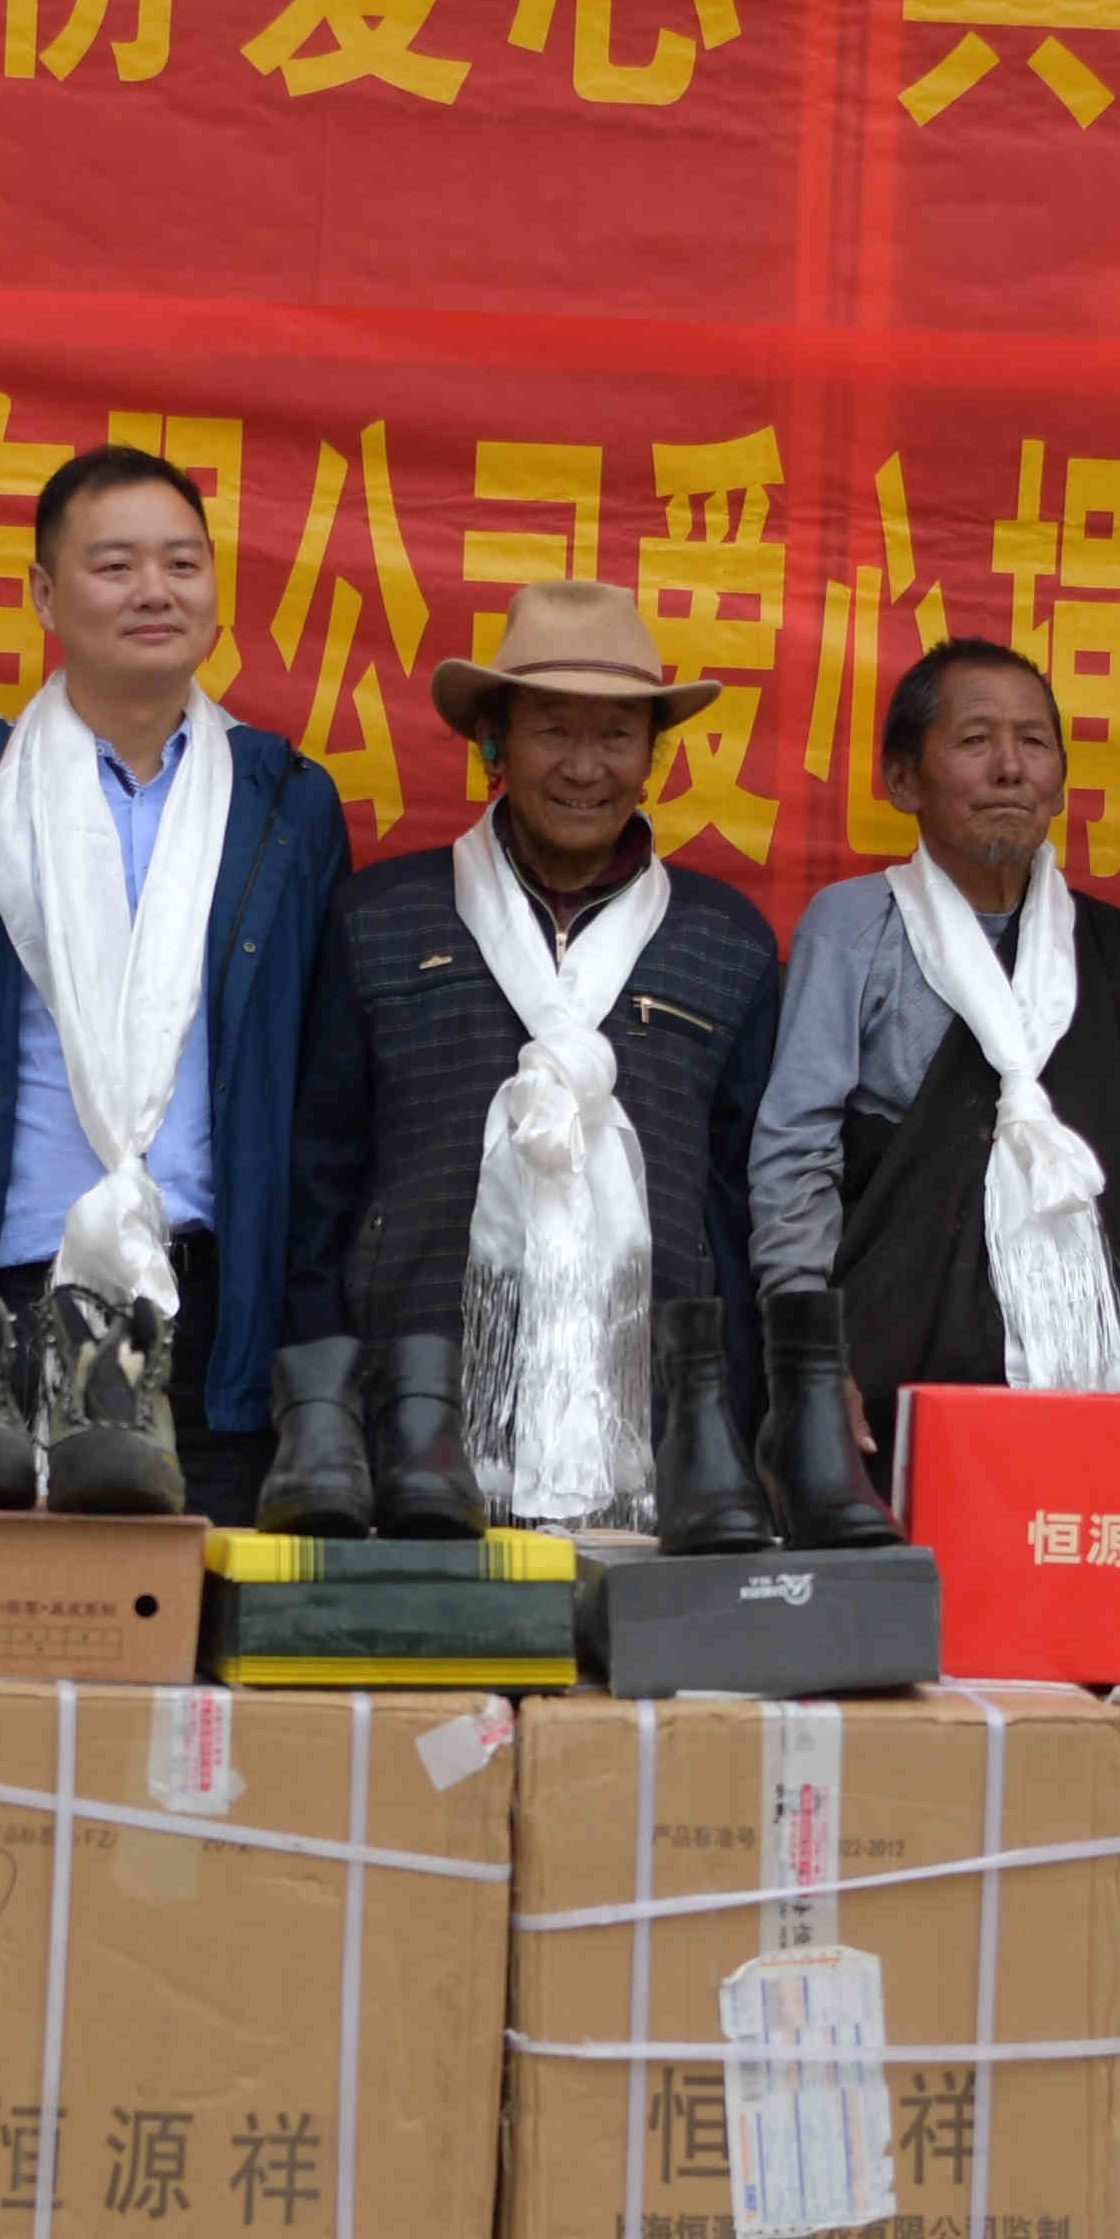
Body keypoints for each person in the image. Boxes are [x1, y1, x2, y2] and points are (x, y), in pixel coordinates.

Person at [0, 444, 348, 1521]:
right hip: (0, 1307)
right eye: (116, 565)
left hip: (212, 1309)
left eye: (182, 563)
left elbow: (319, 1090)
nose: (154, 591)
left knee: (193, 1614)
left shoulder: (285, 804)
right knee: (2, 1616)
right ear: (45, 595)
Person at [278, 580, 781, 1547]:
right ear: (494, 744)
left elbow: (737, 1204)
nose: (585, 768)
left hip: (649, 1429)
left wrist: (731, 1418)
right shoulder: (381, 918)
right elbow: (319, 1184)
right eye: (553, 731)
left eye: (618, 736)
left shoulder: (727, 942)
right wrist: (325, 1401)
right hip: (411, 1408)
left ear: (654, 758)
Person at [750, 634, 1120, 1483]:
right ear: (903, 779)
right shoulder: (854, 930)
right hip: (896, 1391)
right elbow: (796, 1154)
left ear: (1060, 780)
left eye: (1033, 742)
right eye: (975, 740)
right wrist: (810, 1358)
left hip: (1105, 1399)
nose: (1010, 769)